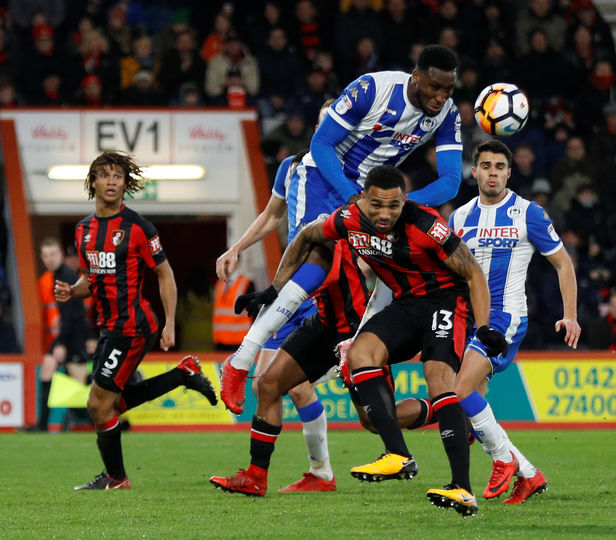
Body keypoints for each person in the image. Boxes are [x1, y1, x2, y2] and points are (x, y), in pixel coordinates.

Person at [219, 166, 501, 516]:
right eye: (377, 205)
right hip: (405, 304)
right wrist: (274, 289)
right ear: (363, 199)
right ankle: (397, 455)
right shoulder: (347, 220)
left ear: (404, 202)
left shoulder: (426, 225)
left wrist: (484, 326)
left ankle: (462, 489)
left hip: (446, 301)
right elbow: (306, 237)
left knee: (439, 379)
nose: (385, 214)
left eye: (394, 206)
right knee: (360, 353)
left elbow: (472, 272)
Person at [219, 44, 463, 423]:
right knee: (320, 255)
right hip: (325, 178)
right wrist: (355, 200)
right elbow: (321, 143)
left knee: (382, 269)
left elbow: (449, 182)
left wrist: (394, 205)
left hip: (374, 196)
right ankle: (241, 360)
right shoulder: (372, 90)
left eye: (448, 90)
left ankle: (355, 346)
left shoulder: (446, 114)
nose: (440, 97)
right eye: (434, 88)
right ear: (416, 77)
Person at [55, 151, 218, 490]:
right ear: (93, 182)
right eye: (105, 175)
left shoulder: (138, 228)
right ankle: (182, 374)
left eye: (118, 176)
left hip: (133, 326)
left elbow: (165, 273)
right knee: (109, 405)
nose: (112, 181)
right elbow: (92, 279)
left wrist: (170, 322)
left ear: (126, 185)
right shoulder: (83, 231)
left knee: (97, 404)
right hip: (109, 327)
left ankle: (116, 478)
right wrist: (73, 291)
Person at [449, 140, 581, 503]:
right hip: (470, 319)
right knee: (471, 399)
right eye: (486, 166)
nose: (493, 172)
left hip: (506, 316)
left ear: (509, 172)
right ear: (474, 171)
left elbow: (563, 264)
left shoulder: (528, 213)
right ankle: (529, 474)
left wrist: (569, 314)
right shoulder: (459, 218)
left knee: (460, 392)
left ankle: (503, 461)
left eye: (500, 167)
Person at [20, 238, 90, 432]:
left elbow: (72, 315)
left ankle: (108, 420)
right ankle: (42, 425)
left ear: (60, 255)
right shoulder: (56, 276)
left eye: (53, 255)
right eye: (46, 256)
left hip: (73, 337)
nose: (49, 259)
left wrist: (61, 342)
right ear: (42, 258)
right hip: (67, 334)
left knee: (82, 385)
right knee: (47, 369)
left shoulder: (64, 275)